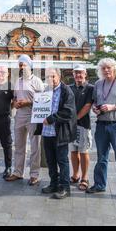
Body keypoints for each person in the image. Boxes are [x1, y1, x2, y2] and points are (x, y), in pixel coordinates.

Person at [86, 58, 116, 203]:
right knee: (101, 158)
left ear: (114, 68)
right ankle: (100, 185)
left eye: (109, 67)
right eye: (103, 68)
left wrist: (114, 107)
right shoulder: (98, 84)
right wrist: (95, 108)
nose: (106, 70)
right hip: (101, 124)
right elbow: (95, 101)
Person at [6, 55, 45, 186]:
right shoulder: (18, 81)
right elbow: (15, 98)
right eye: (20, 65)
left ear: (30, 66)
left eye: (24, 65)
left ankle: (34, 175)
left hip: (33, 117)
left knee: (35, 147)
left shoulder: (37, 81)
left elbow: (44, 100)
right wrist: (15, 103)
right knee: (19, 146)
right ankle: (18, 172)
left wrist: (28, 102)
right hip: (19, 117)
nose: (22, 67)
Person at [40, 68, 77, 199]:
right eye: (48, 76)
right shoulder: (45, 91)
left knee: (62, 161)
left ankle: (65, 187)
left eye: (53, 76)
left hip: (60, 132)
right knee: (50, 161)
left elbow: (68, 112)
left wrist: (51, 119)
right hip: (46, 132)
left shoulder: (66, 91)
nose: (51, 79)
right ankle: (53, 184)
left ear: (59, 77)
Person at [69, 64, 94, 191]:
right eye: (76, 73)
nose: (78, 75)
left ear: (85, 74)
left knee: (83, 151)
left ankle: (84, 177)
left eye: (81, 73)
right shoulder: (69, 88)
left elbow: (88, 105)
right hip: (70, 126)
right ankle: (75, 175)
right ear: (73, 74)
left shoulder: (90, 88)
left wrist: (76, 118)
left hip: (83, 125)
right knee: (73, 151)